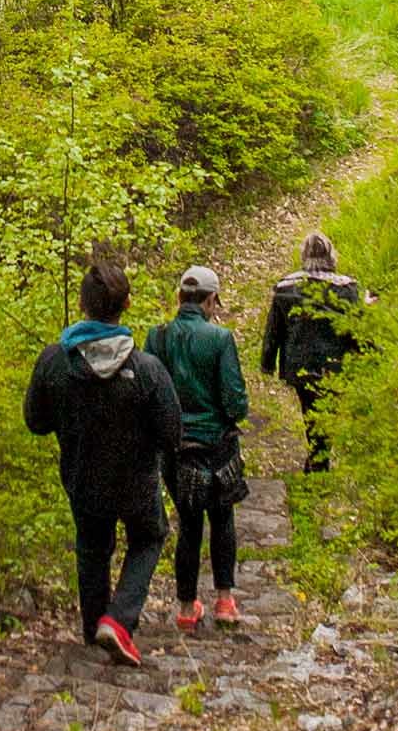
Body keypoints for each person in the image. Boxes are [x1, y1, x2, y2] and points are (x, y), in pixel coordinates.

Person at [24, 251, 181, 668]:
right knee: (148, 537)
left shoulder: (54, 361)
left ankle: (95, 626)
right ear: (126, 304)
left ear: (82, 305)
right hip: (137, 481)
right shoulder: (147, 369)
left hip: (81, 477)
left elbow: (35, 422)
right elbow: (171, 435)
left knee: (92, 546)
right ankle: (119, 619)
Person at [147, 264, 251, 633]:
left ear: (179, 298)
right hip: (216, 446)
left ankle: (187, 607)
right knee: (222, 518)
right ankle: (224, 600)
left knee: (189, 524)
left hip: (175, 449)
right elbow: (236, 401)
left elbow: (150, 395)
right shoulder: (220, 339)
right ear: (210, 300)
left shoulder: (155, 338)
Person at [261, 231, 368, 473]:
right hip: (334, 364)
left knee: (310, 407)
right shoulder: (348, 288)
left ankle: (318, 459)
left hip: (299, 363)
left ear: (304, 255)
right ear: (331, 256)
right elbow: (356, 328)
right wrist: (367, 354)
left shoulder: (286, 288)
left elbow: (274, 329)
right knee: (324, 409)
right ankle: (319, 459)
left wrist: (267, 361)